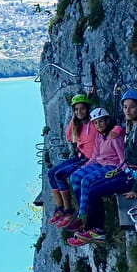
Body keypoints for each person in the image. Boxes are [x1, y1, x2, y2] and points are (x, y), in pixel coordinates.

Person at [67, 87, 137, 246]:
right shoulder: (134, 126)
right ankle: (91, 227)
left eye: (132, 107)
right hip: (128, 172)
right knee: (91, 187)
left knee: (93, 189)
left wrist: (136, 188)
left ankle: (96, 230)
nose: (127, 110)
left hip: (131, 176)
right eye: (125, 107)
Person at [57, 107, 124, 231]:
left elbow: (122, 157)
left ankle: (83, 216)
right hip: (99, 163)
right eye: (96, 123)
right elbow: (95, 156)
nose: (98, 125)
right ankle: (82, 208)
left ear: (107, 121)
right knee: (75, 177)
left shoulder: (114, 135)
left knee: (86, 180)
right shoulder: (99, 136)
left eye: (101, 121)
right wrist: (84, 167)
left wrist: (122, 170)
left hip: (112, 165)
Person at [47, 94, 95, 222]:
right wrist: (74, 118)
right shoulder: (78, 125)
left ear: (88, 109)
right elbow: (68, 136)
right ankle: (59, 207)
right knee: (51, 173)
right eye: (76, 109)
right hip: (79, 156)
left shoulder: (93, 123)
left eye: (82, 109)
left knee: (59, 175)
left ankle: (68, 210)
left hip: (88, 159)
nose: (79, 112)